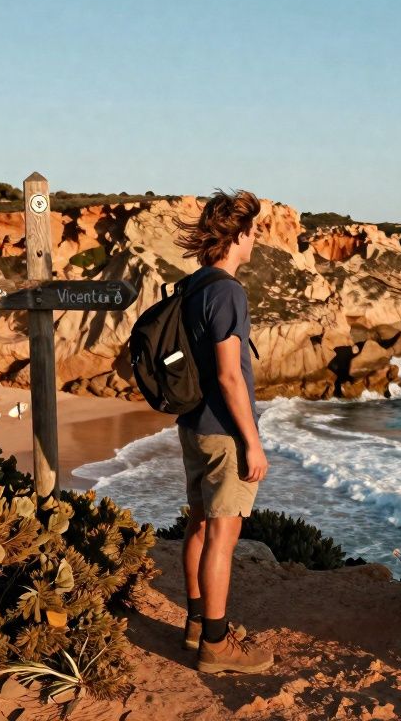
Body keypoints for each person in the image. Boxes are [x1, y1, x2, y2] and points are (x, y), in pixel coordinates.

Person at [172, 189, 272, 675]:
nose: (256, 240)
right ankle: (216, 642)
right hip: (223, 430)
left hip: (193, 425)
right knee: (223, 536)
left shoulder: (194, 286)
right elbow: (231, 376)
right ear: (238, 236)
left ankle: (196, 624)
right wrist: (252, 442)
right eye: (253, 232)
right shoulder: (229, 291)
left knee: (199, 524)